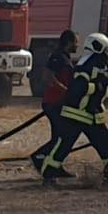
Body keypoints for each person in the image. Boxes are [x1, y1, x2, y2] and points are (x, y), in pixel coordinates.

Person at [40, 32, 108, 184]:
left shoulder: (103, 66)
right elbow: (78, 89)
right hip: (76, 114)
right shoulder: (84, 66)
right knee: (64, 145)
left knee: (106, 144)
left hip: (91, 115)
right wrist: (97, 86)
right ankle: (48, 174)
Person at [29, 30, 77, 173]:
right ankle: (39, 156)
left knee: (59, 136)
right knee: (64, 136)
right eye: (76, 42)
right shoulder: (58, 57)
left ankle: (55, 165)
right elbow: (47, 76)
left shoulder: (65, 57)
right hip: (53, 103)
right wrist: (64, 90)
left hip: (59, 103)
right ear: (68, 42)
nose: (77, 45)